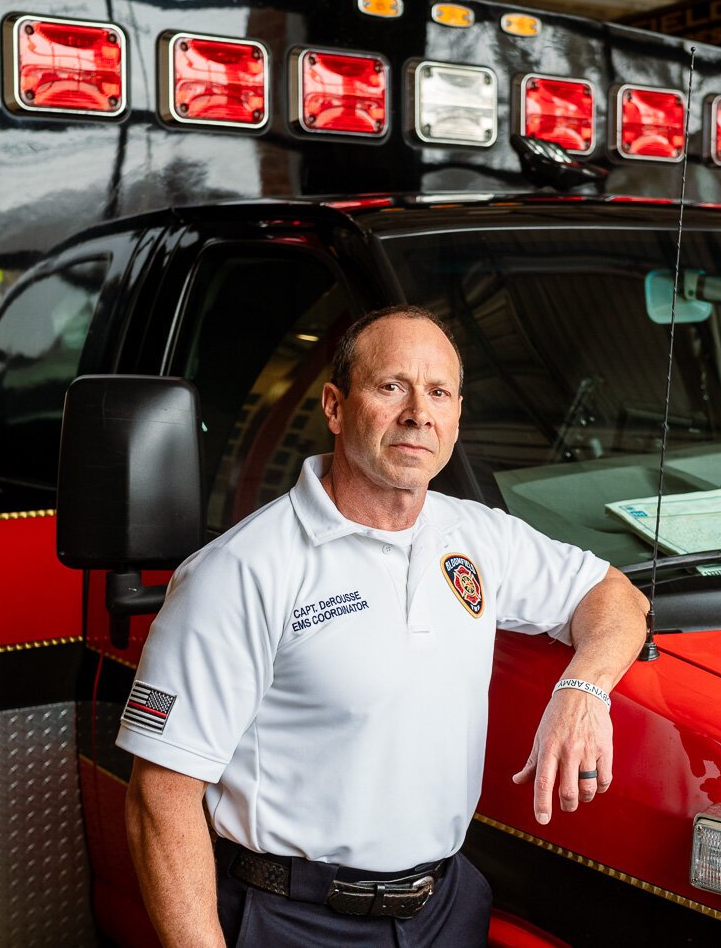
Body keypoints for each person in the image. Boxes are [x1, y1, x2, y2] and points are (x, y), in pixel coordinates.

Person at [116, 305, 648, 947]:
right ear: (335, 407)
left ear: (456, 418)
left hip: (444, 910)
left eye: (439, 392)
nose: (418, 412)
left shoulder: (478, 536)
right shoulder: (241, 570)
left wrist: (583, 691)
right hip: (293, 920)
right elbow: (161, 798)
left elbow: (614, 595)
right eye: (392, 385)